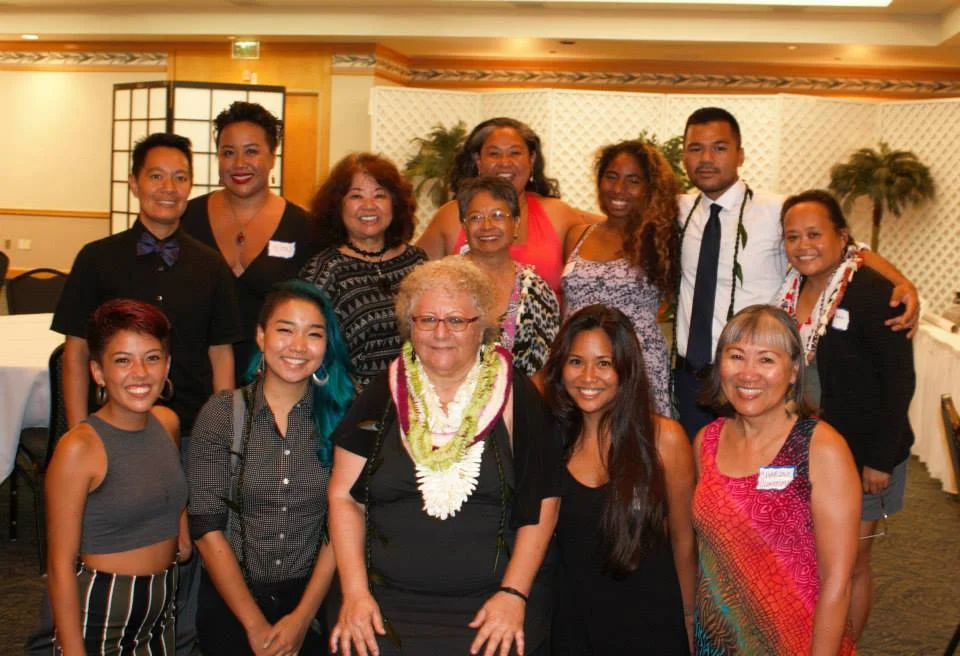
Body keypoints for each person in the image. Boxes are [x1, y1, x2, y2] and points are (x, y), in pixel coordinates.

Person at [51, 133, 241, 655]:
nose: (169, 187)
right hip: (110, 436)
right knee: (91, 548)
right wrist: (79, 433)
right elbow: (73, 354)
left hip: (185, 431)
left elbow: (222, 354)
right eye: (156, 175)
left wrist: (219, 435)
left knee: (185, 550)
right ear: (134, 182)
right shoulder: (96, 257)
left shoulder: (209, 264)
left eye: (180, 177)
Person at [327, 257, 562, 656]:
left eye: (457, 321)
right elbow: (343, 497)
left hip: (491, 607)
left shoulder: (514, 395)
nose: (440, 333)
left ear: (482, 326)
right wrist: (354, 593)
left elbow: (543, 501)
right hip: (384, 607)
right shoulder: (384, 393)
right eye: (426, 320)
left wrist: (513, 594)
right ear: (409, 324)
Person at [674, 106, 920, 439]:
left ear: (740, 154)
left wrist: (901, 282)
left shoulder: (777, 209)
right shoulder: (677, 210)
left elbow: (849, 249)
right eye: (695, 148)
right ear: (684, 156)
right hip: (691, 377)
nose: (706, 158)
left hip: (755, 377)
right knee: (698, 474)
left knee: (756, 476)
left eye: (719, 147)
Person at [775, 189, 915, 641]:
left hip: (862, 455)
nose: (803, 245)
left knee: (851, 563)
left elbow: (898, 382)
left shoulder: (874, 293)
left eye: (814, 234)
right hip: (805, 451)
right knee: (810, 559)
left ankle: (844, 647)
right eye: (792, 236)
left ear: (842, 236)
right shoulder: (789, 290)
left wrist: (879, 457)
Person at [187, 280, 354, 656]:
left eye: (313, 334)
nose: (297, 347)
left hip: (316, 601)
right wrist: (254, 625)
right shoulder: (222, 413)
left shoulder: (341, 417)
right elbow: (205, 527)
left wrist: (301, 617)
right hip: (233, 600)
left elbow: (342, 524)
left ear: (326, 345)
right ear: (261, 337)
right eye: (284, 330)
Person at [693, 305, 861, 655]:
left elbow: (838, 583)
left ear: (793, 371)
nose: (748, 373)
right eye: (736, 356)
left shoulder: (820, 447)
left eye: (766, 360)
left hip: (799, 642)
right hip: (721, 640)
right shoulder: (706, 442)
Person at [543, 304, 695, 654]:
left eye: (604, 363)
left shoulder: (665, 439)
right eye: (576, 361)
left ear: (626, 370)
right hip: (572, 627)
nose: (588, 377)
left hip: (651, 627)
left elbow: (684, 542)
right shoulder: (551, 441)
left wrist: (688, 617)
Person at [42, 299, 189, 655]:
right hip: (101, 615)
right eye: (122, 360)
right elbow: (59, 566)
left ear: (167, 364)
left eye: (152, 358)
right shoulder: (79, 447)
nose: (140, 372)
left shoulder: (166, 423)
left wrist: (180, 536)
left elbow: (169, 487)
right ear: (98, 372)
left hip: (162, 607)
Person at [181, 101, 315, 376]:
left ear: (272, 156)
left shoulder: (304, 227)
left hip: (275, 378)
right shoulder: (185, 219)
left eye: (251, 151)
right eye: (228, 152)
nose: (239, 164)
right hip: (192, 375)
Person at [416, 117, 599, 294]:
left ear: (532, 159)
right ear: (478, 161)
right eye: (494, 153)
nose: (505, 162)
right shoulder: (451, 216)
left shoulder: (558, 214)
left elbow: (608, 231)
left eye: (515, 153)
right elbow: (413, 277)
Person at [563, 140, 679, 416]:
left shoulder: (659, 238)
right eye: (611, 177)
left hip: (636, 365)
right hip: (581, 366)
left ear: (649, 188)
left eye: (633, 180)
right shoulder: (578, 234)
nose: (618, 189)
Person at [300, 152, 427, 390]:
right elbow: (307, 346)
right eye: (356, 196)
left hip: (420, 400)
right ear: (338, 206)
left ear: (394, 204)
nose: (369, 205)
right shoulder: (324, 270)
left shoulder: (418, 262)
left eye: (380, 195)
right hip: (352, 405)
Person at [457, 176, 559, 376]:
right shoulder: (440, 283)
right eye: (476, 217)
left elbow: (545, 371)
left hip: (520, 403)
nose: (487, 226)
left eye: (497, 215)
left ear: (516, 224)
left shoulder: (536, 290)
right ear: (464, 226)